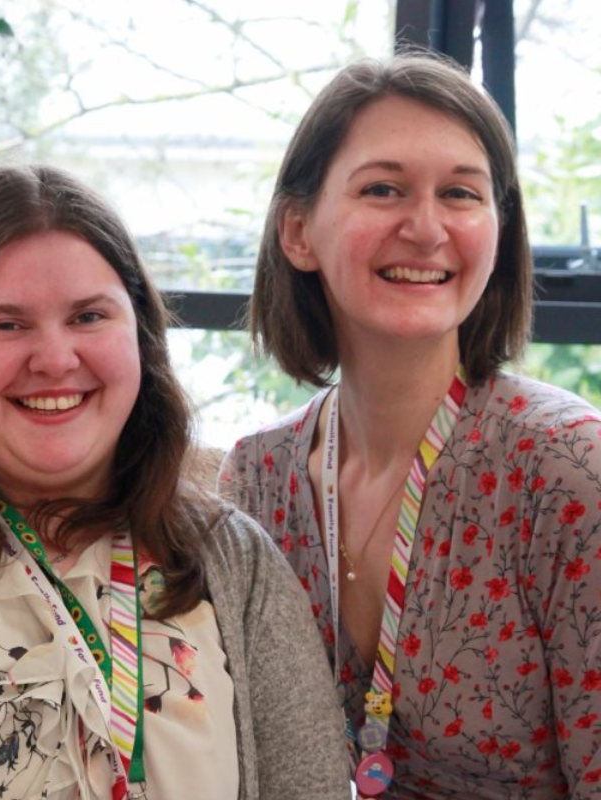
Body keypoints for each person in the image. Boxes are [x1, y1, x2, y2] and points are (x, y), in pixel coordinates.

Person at [0, 164, 351, 800]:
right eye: (5, 324)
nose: (56, 359)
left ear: (141, 339)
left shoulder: (235, 561)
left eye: (89, 317)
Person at [219, 52, 601, 799]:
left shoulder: (566, 471)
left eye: (461, 193)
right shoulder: (256, 481)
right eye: (383, 188)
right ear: (298, 231)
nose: (426, 228)